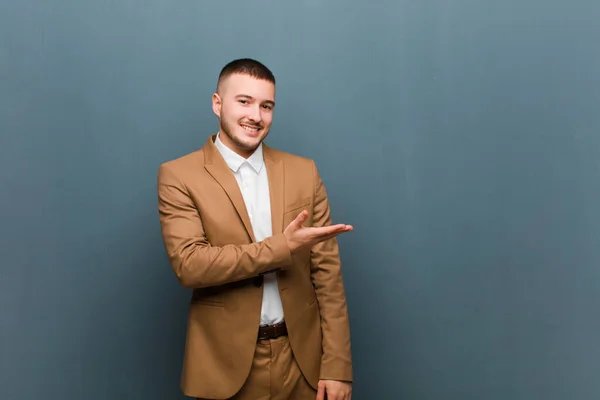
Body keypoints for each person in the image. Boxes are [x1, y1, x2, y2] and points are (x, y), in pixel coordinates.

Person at [157, 58, 353, 400]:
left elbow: (329, 280)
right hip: (224, 368)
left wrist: (337, 367)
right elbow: (190, 265)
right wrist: (282, 247)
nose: (256, 116)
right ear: (217, 104)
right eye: (244, 101)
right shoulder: (179, 176)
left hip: (303, 364)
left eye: (266, 106)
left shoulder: (303, 172)